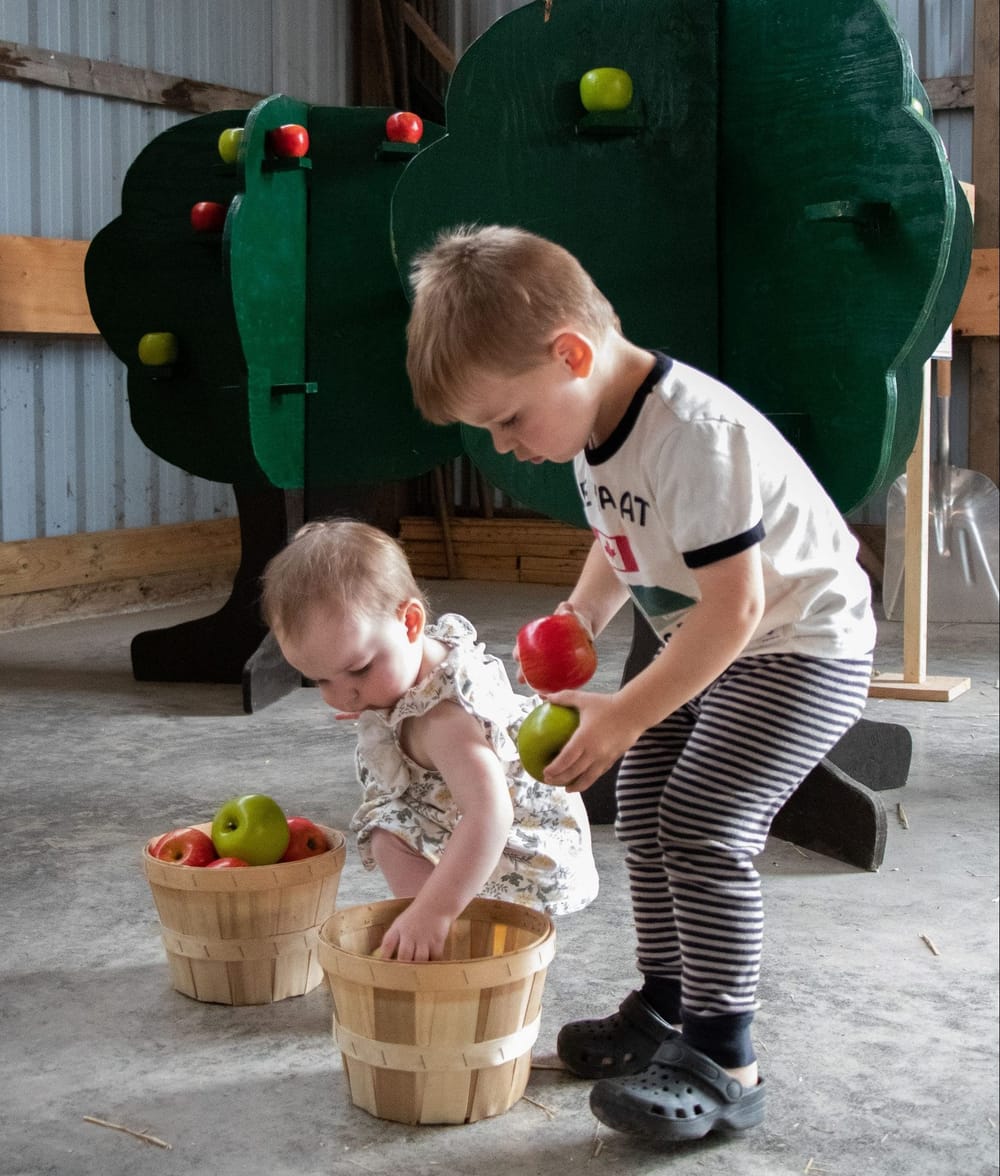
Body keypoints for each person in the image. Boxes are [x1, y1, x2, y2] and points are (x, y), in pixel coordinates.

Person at [404, 224, 876, 1142]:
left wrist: (624, 709)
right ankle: (667, 1006)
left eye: (507, 418)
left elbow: (736, 609)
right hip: (719, 645)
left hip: (800, 646)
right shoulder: (595, 425)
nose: (504, 445)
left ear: (571, 354)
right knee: (652, 799)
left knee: (703, 823)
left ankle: (726, 1058)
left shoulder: (690, 433)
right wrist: (581, 618)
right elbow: (621, 541)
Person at [259, 518, 599, 963]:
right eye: (321, 679)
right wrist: (370, 698)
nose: (344, 693)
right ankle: (439, 927)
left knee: (389, 832)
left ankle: (441, 929)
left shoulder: (443, 718)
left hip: (521, 848)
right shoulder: (410, 669)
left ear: (411, 622)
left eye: (359, 670)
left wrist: (435, 910)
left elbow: (491, 814)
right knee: (386, 823)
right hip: (469, 816)